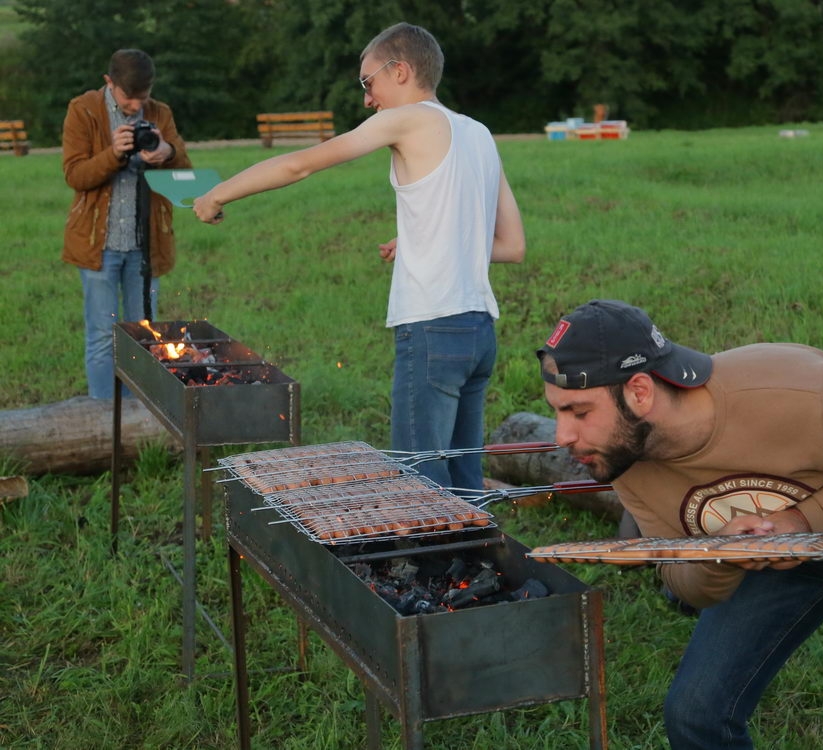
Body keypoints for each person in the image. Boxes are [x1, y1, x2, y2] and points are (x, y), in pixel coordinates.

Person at [536, 299, 823, 749]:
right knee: (695, 714)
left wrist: (803, 520)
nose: (562, 436)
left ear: (640, 392)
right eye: (557, 411)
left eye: (579, 412)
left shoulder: (794, 392)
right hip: (786, 554)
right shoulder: (624, 460)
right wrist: (720, 555)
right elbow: (680, 577)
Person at [193, 23, 525, 491]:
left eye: (369, 82)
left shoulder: (409, 119)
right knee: (464, 480)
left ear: (401, 70)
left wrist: (216, 194)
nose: (367, 99)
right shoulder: (479, 133)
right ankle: (476, 542)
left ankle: (433, 543)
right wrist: (425, 241)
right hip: (478, 331)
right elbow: (512, 246)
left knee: (421, 487)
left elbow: (299, 164)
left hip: (432, 326)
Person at [62, 48, 191, 400]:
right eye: (128, 98)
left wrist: (167, 153)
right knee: (103, 335)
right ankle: (103, 416)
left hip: (146, 245)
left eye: (143, 98)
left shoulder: (160, 113)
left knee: (144, 334)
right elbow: (75, 175)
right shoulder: (84, 110)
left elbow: (185, 169)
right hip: (98, 244)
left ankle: (140, 415)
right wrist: (113, 154)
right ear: (109, 82)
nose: (136, 106)